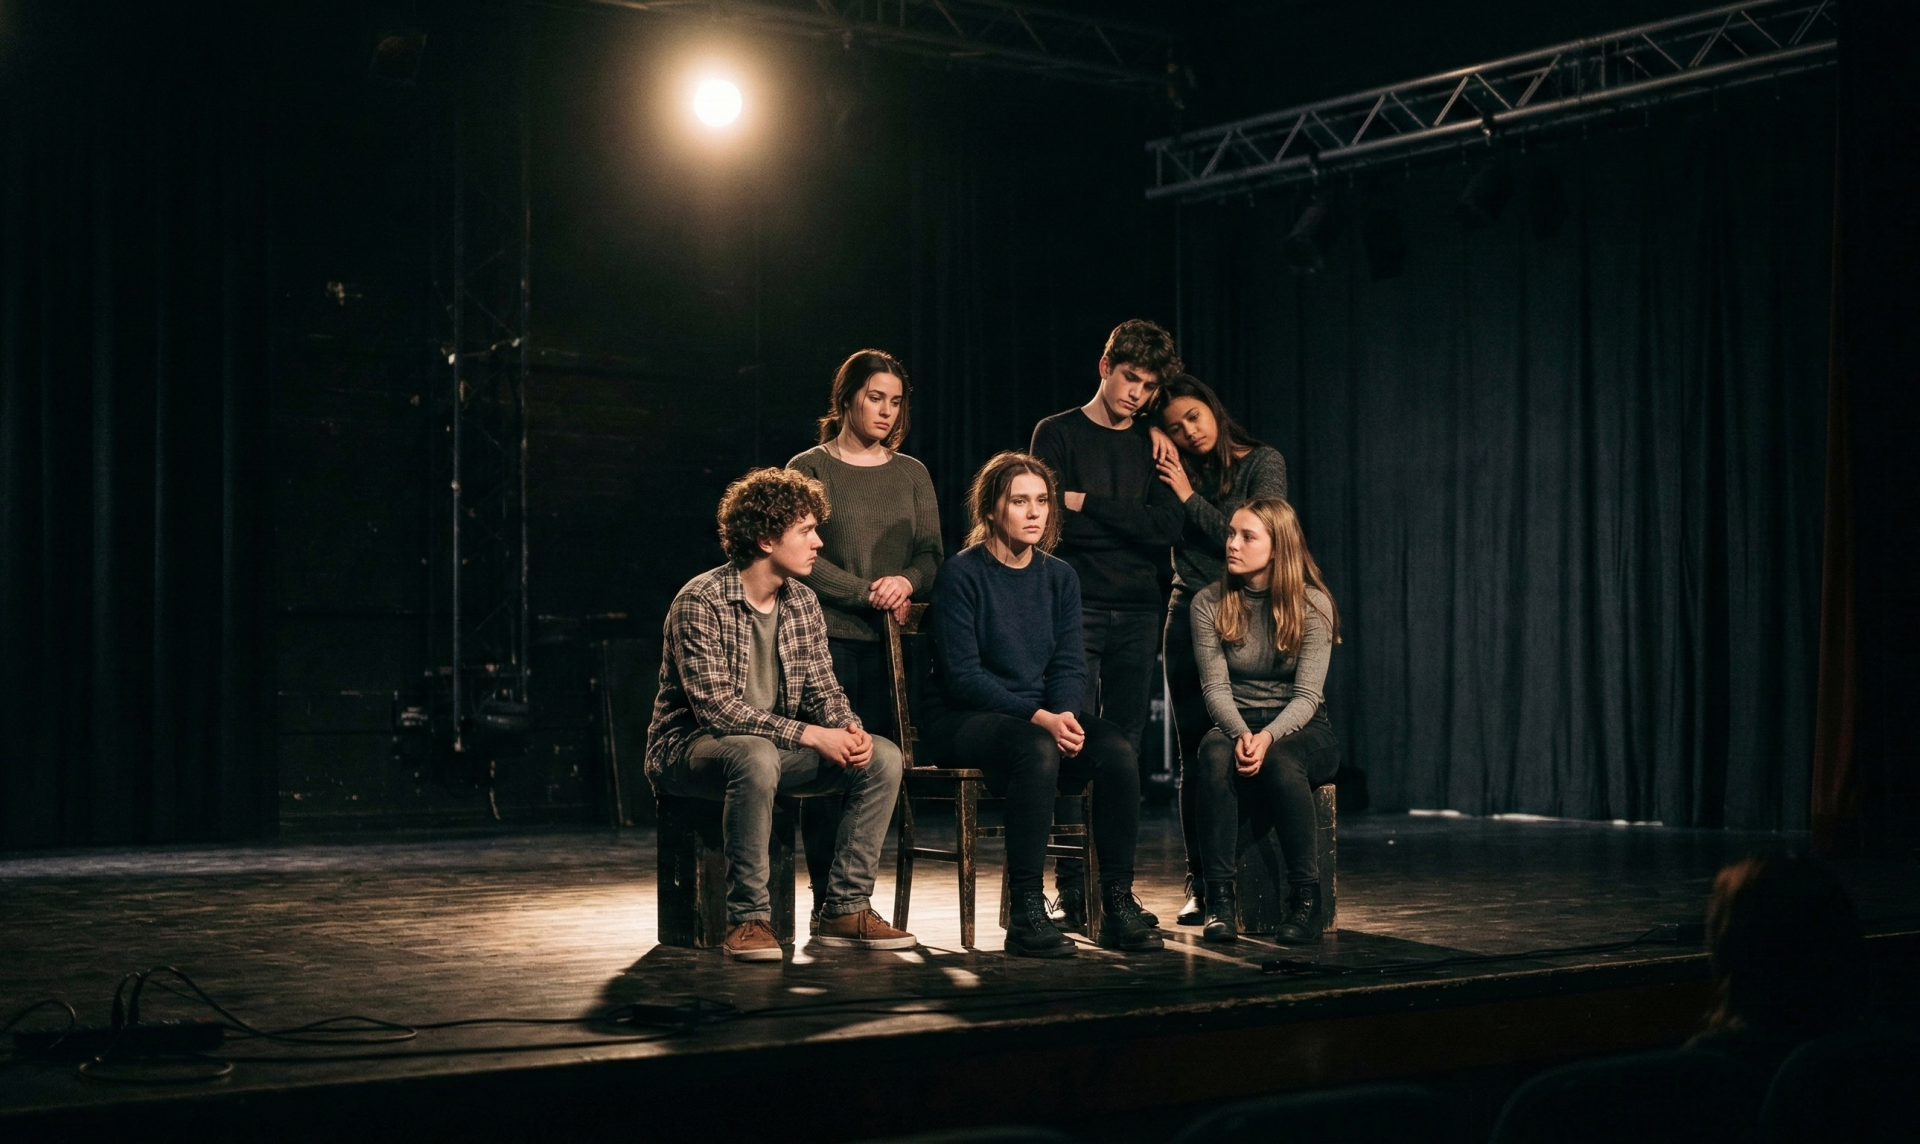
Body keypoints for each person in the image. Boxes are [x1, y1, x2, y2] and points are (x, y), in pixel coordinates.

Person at [645, 467, 914, 962]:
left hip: (773, 751)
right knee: (754, 755)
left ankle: (844, 908)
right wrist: (813, 735)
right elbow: (718, 711)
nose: (818, 543)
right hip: (691, 751)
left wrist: (848, 729)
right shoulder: (700, 600)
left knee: (883, 756)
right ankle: (747, 918)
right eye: (806, 531)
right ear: (767, 539)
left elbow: (823, 691)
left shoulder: (803, 603)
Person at [922, 452, 1162, 958]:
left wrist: (1065, 714)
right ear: (991, 510)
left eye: (1043, 501)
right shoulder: (962, 575)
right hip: (963, 719)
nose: (1034, 512)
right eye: (1019, 501)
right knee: (1037, 747)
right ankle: (1026, 911)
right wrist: (1041, 719)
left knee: (1116, 748)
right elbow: (963, 677)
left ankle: (1114, 901)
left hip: (1037, 718)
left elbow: (1069, 665)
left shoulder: (1060, 577)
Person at [1029, 318, 1184, 926]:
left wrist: (1087, 503)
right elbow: (1050, 524)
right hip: (1076, 607)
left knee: (1126, 752)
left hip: (1141, 608)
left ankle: (1115, 888)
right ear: (1105, 367)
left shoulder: (1154, 443)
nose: (1137, 395)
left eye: (1147, 387)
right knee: (1072, 739)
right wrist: (1125, 518)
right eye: (1130, 379)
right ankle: (1072, 888)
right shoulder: (1057, 433)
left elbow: (1167, 527)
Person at [788, 350, 943, 927]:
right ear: (848, 397)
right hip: (826, 640)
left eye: (895, 400)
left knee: (882, 768)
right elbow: (798, 556)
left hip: (895, 648)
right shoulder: (811, 467)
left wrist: (905, 580)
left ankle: (855, 899)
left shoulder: (912, 473)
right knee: (832, 770)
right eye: (875, 397)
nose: (885, 410)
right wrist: (865, 593)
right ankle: (829, 901)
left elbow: (931, 554)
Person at [1152, 374, 1289, 927]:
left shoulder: (1263, 462)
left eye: (1193, 417)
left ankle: (1246, 881)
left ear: (1213, 406)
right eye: (1174, 428)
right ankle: (1201, 882)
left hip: (1249, 611)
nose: (1188, 432)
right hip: (1188, 608)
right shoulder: (1172, 466)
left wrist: (1186, 494)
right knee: (1192, 755)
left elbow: (1250, 534)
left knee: (1244, 742)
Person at [1189, 497, 1339, 944]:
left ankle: (1305, 900)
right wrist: (1241, 734)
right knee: (1213, 757)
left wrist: (1268, 737)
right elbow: (1215, 689)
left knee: (1281, 761)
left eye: (1246, 536)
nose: (1231, 543)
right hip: (1238, 719)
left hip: (1302, 726)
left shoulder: (1313, 604)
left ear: (1277, 548)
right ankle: (1219, 900)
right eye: (1231, 533)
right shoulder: (1208, 602)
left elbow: (1308, 695)